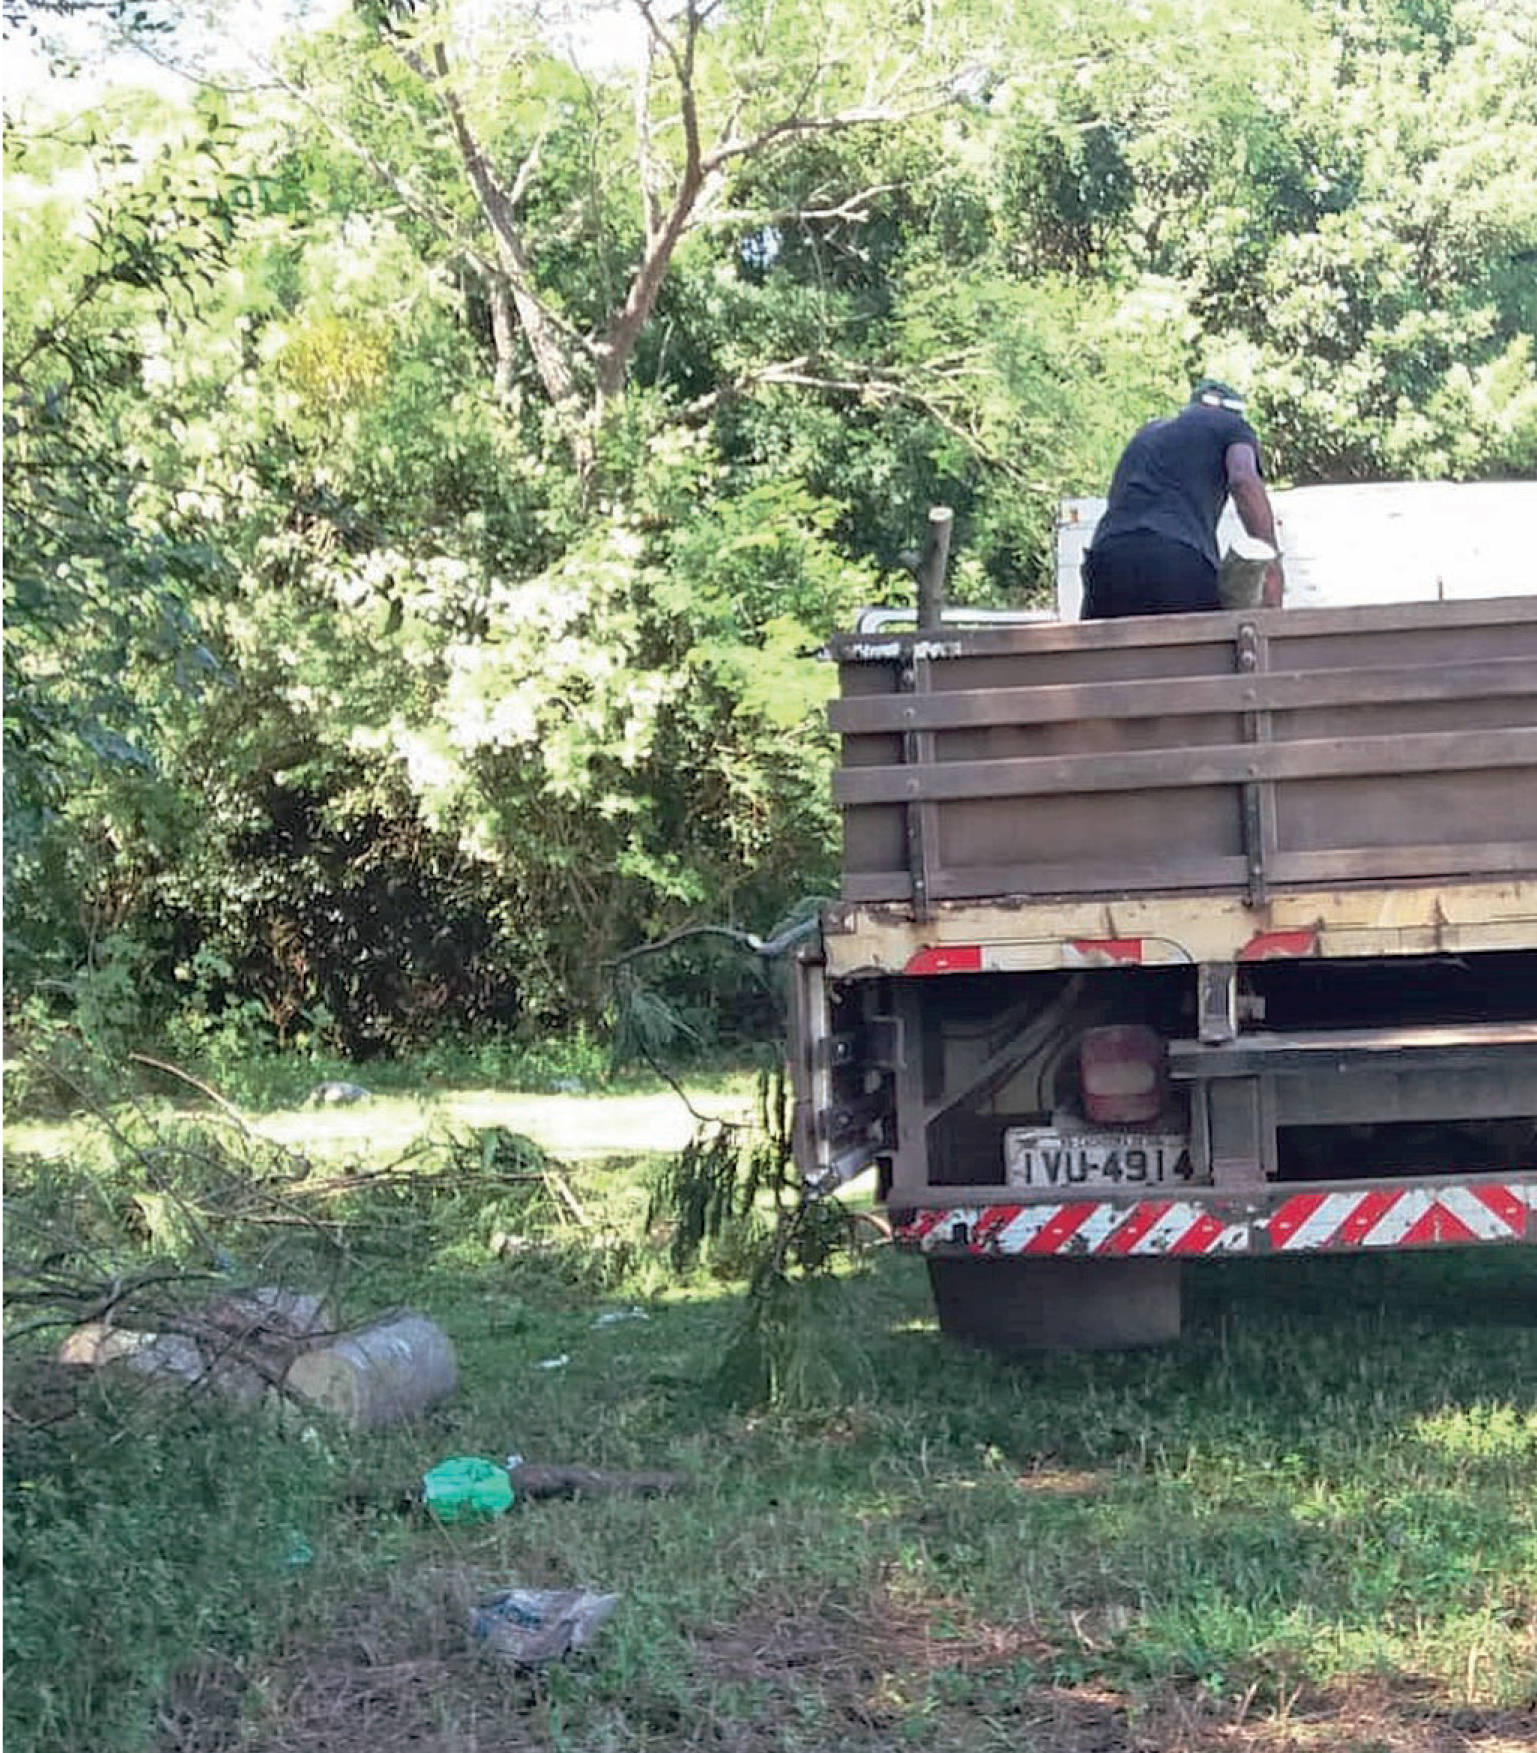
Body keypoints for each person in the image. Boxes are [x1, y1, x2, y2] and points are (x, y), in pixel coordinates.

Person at [1081, 379, 1284, 618]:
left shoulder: (1146, 434)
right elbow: (1243, 480)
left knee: (1102, 654)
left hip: (1109, 557)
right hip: (1176, 560)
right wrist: (1271, 560)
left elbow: (1116, 497)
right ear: (1233, 410)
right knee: (1204, 652)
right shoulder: (1231, 425)